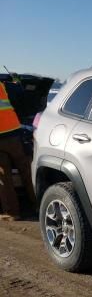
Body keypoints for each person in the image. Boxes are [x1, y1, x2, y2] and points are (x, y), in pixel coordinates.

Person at [0, 80, 36, 220]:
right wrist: (16, 82)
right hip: (13, 132)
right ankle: (38, 204)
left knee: (4, 176)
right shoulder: (2, 85)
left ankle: (12, 213)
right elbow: (18, 91)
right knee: (26, 169)